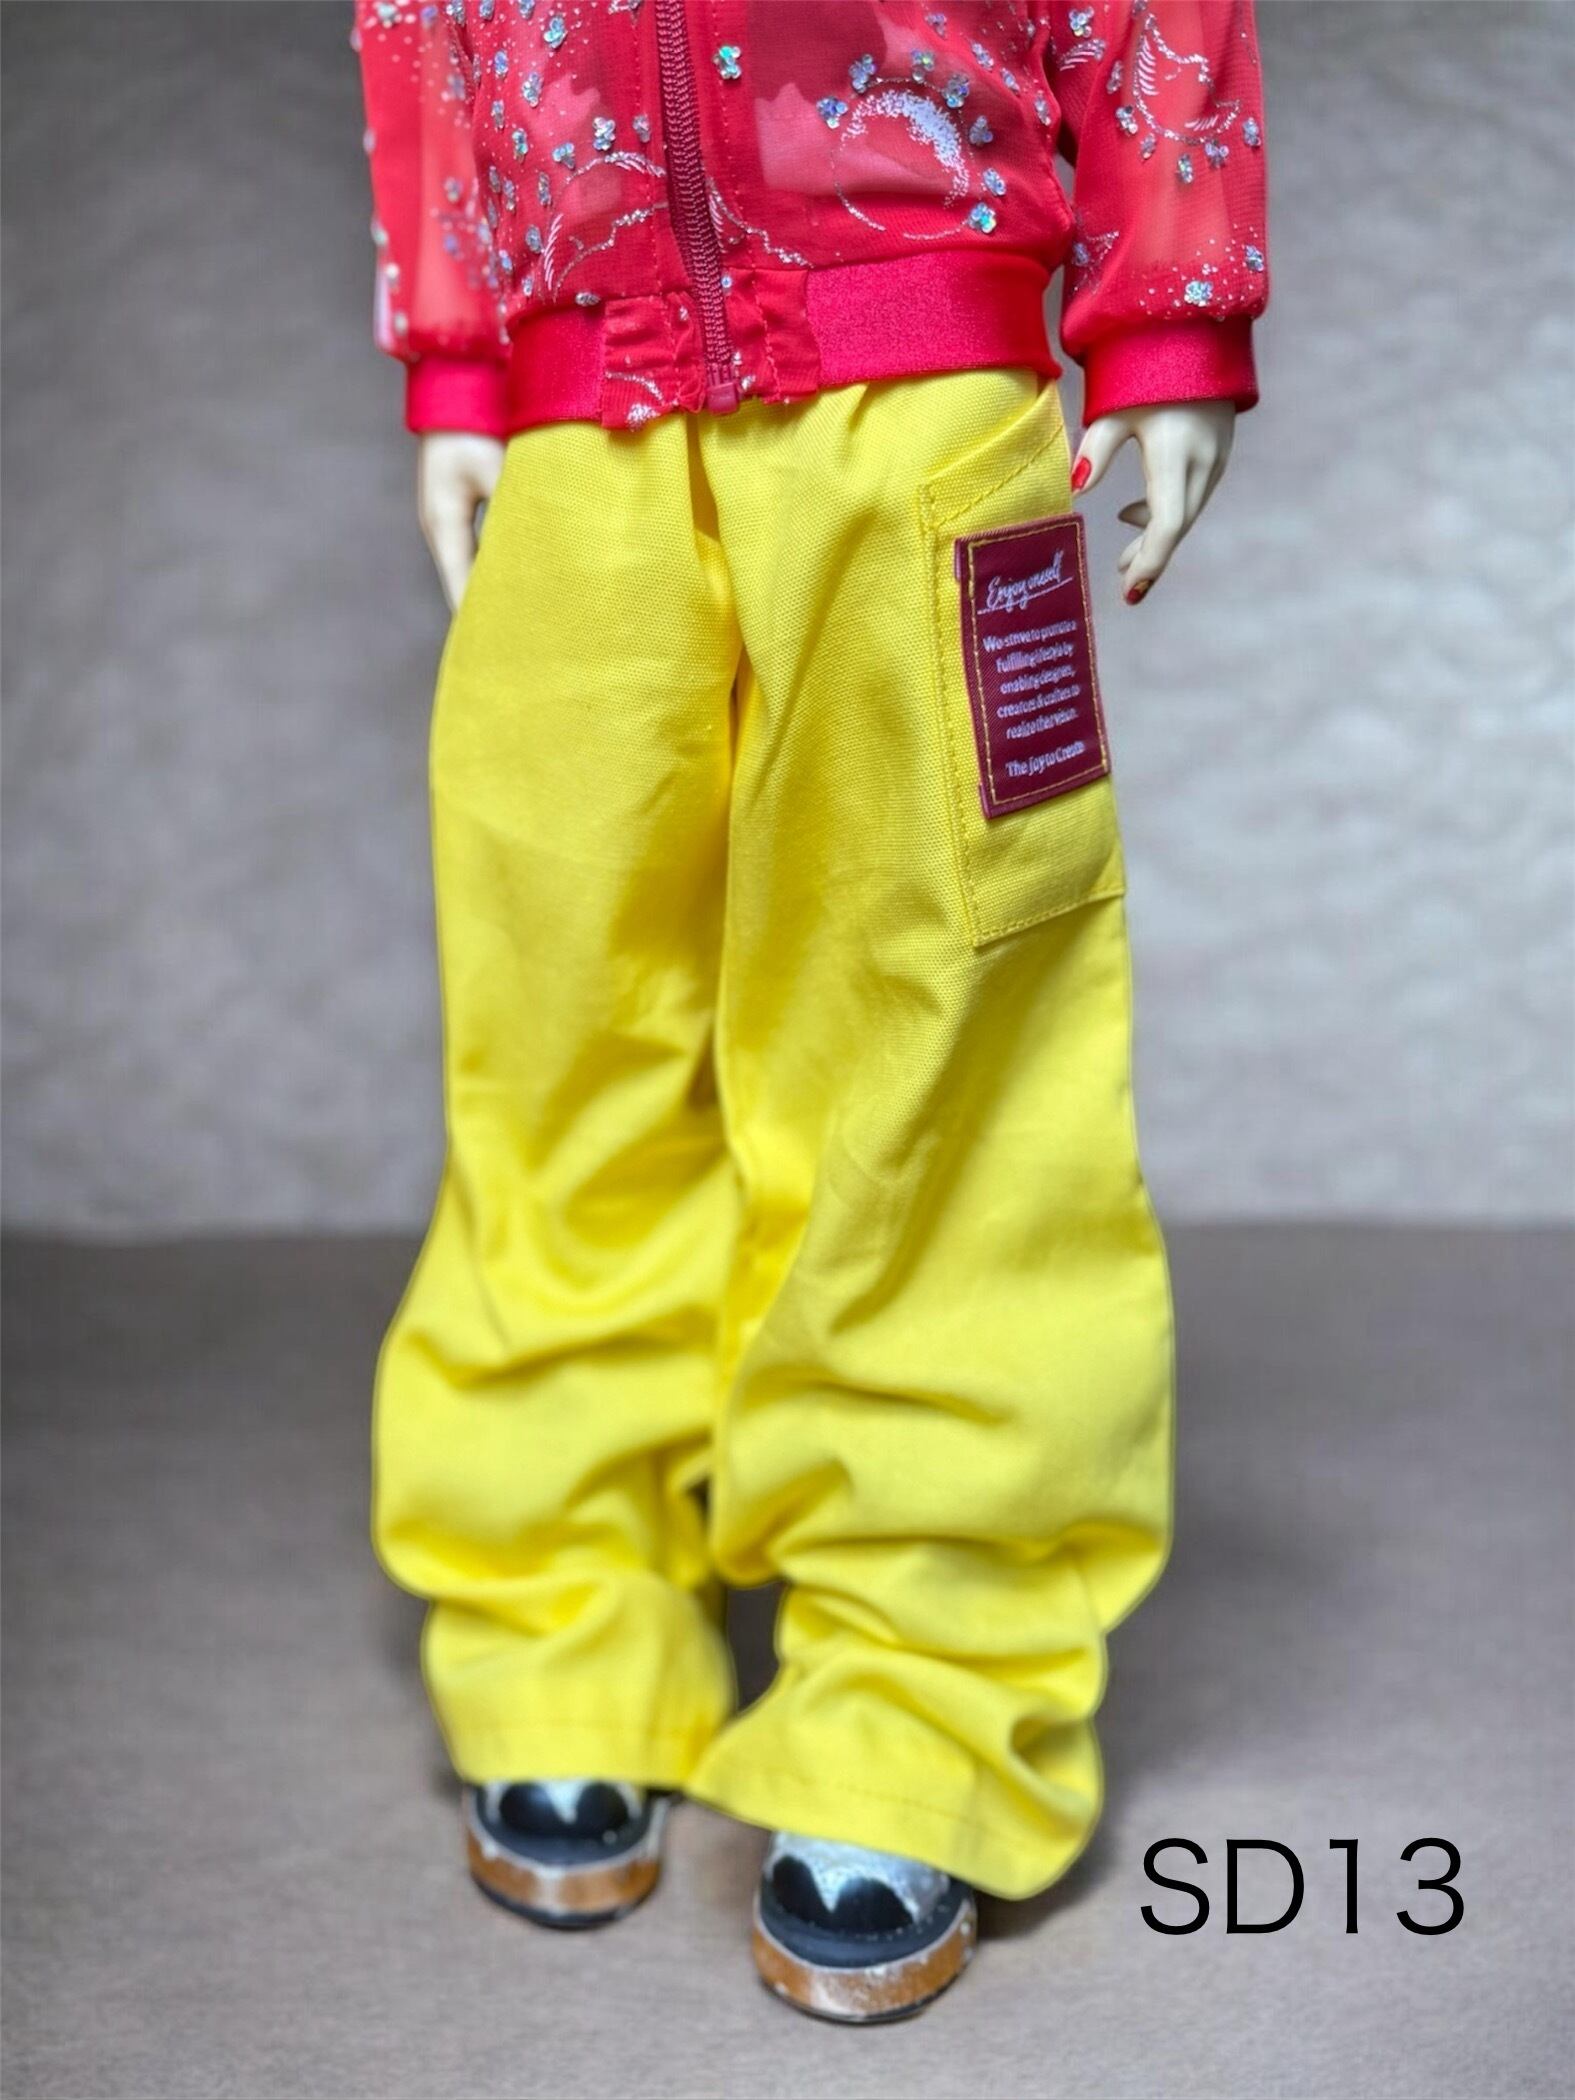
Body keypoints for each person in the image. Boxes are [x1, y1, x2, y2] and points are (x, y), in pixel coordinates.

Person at [355, 0, 1268, 2022]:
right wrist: (457, 347)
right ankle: (563, 1623)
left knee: (935, 1056)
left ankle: (918, 1700)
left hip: (921, 395)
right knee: (557, 1038)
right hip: (571, 410)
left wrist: (1168, 302)